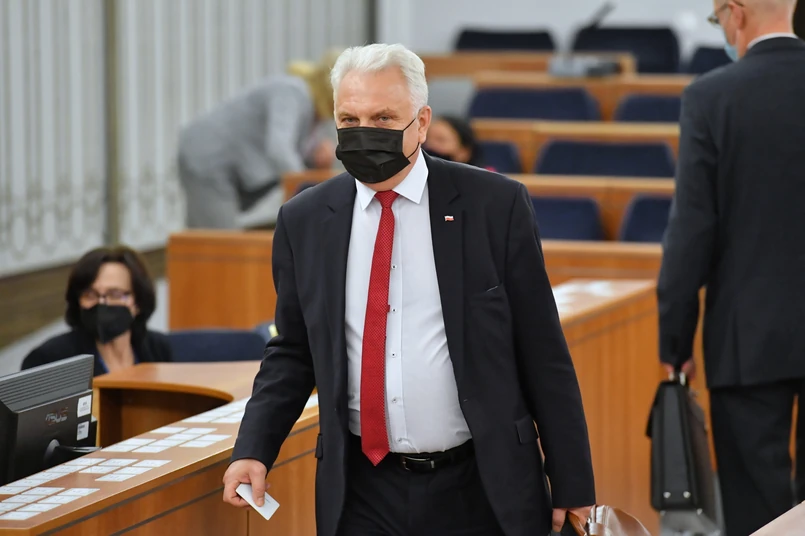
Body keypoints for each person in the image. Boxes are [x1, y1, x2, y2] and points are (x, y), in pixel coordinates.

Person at [222, 43, 595, 536]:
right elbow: (293, 350)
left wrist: (572, 483)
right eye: (349, 119)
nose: (364, 132)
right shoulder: (305, 219)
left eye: (382, 118)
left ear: (421, 123)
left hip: (481, 483)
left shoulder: (494, 205)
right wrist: (253, 449)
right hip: (361, 488)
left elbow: (542, 350)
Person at [657, 1, 804, 534]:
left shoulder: (712, 96)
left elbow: (692, 231)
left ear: (735, 13)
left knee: (759, 512)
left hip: (747, 337)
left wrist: (676, 341)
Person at [177, 50, 340, 229]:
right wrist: (308, 193)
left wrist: (315, 156)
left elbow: (296, 153)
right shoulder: (292, 93)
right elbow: (280, 150)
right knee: (219, 242)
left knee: (202, 238)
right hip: (208, 158)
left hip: (214, 161)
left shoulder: (312, 112)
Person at [22, 246, 171, 376]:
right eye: (90, 295)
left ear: (138, 302)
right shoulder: (48, 360)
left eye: (115, 294)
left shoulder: (159, 350)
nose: (102, 303)